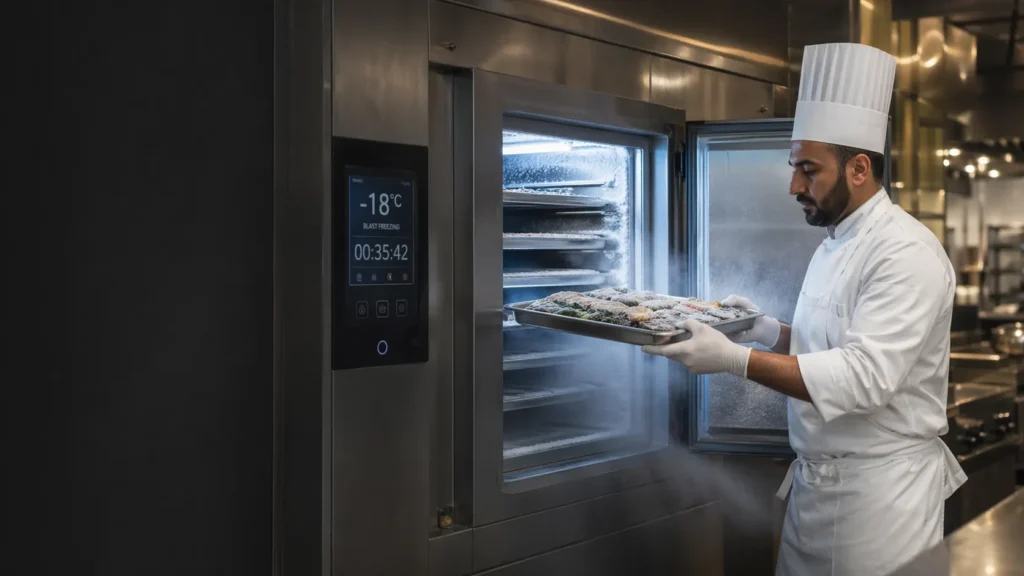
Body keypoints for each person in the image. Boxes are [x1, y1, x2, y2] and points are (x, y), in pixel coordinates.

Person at [643, 43, 967, 575]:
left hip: (880, 507)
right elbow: (833, 349)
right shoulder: (835, 240)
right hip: (815, 496)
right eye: (794, 168)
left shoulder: (905, 253)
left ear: (859, 168)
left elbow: (864, 378)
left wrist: (733, 361)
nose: (794, 186)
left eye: (808, 171)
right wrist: (766, 332)